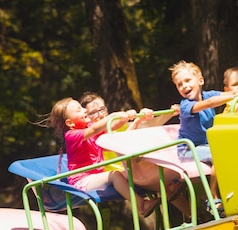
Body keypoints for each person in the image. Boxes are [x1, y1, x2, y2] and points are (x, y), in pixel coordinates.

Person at [79, 92, 192, 220]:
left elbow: (148, 126)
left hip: (135, 169)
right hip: (121, 174)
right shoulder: (91, 136)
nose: (100, 115)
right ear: (87, 117)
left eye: (102, 109)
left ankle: (200, 213)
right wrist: (137, 121)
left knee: (169, 178)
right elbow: (119, 143)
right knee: (163, 182)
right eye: (93, 112)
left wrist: (169, 113)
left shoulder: (116, 126)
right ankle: (195, 214)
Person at [47, 97, 160, 218]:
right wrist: (114, 115)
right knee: (115, 175)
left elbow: (112, 125)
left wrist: (126, 117)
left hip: (95, 176)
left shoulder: (89, 128)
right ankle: (141, 205)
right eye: (79, 110)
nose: (85, 110)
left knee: (131, 173)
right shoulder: (71, 135)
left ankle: (165, 187)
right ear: (70, 123)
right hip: (82, 181)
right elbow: (95, 129)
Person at [168, 60, 238, 218]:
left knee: (233, 151)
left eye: (187, 81)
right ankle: (212, 197)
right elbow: (210, 103)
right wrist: (235, 94)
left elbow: (233, 94)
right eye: (179, 84)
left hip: (205, 146)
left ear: (200, 81)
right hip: (187, 149)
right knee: (219, 154)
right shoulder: (186, 105)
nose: (184, 86)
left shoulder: (209, 94)